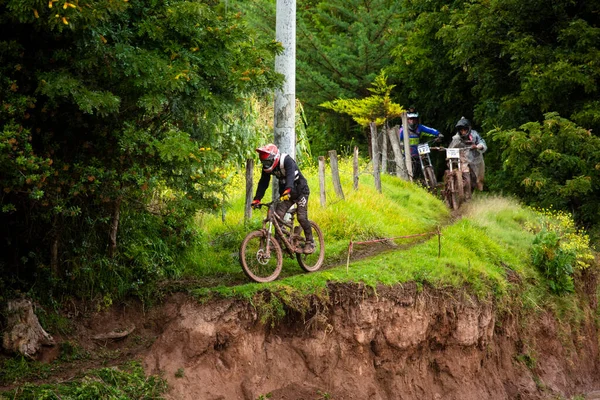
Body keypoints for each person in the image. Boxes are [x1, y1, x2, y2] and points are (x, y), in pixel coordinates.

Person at [251, 144, 314, 254]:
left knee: (301, 216)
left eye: (267, 162)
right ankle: (278, 244)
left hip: (301, 192)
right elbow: (263, 183)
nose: (266, 165)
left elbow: (290, 176)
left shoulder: (286, 160)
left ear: (274, 158)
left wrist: (288, 189)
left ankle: (310, 242)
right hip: (287, 194)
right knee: (277, 215)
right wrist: (257, 199)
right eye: (263, 162)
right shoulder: (267, 168)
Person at [399, 108, 443, 180]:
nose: (412, 121)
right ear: (407, 120)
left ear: (417, 119)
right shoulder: (402, 130)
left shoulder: (420, 128)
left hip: (418, 152)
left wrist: (438, 134)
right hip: (407, 154)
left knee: (423, 163)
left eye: (414, 119)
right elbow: (398, 139)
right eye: (410, 119)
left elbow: (430, 130)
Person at [449, 117, 487, 191]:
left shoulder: (474, 135)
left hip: (476, 159)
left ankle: (473, 190)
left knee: (478, 178)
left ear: (468, 129)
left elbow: (482, 143)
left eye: (465, 130)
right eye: (461, 130)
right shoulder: (456, 138)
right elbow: (451, 148)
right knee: (464, 176)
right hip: (463, 159)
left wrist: (478, 146)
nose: (463, 132)